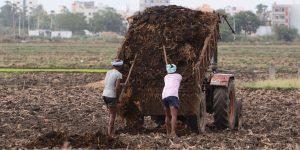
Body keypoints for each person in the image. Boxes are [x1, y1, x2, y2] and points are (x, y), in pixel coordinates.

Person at [102, 59, 123, 137]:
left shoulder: (108, 72)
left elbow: (109, 83)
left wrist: (121, 85)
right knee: (113, 115)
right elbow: (117, 88)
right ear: (120, 66)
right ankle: (110, 133)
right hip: (111, 96)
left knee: (110, 113)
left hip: (104, 94)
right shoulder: (119, 74)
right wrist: (117, 98)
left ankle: (109, 131)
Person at [162, 64, 182, 138]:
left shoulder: (165, 77)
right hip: (173, 95)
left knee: (167, 115)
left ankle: (168, 133)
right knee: (173, 116)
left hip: (164, 95)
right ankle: (173, 133)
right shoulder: (179, 76)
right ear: (175, 69)